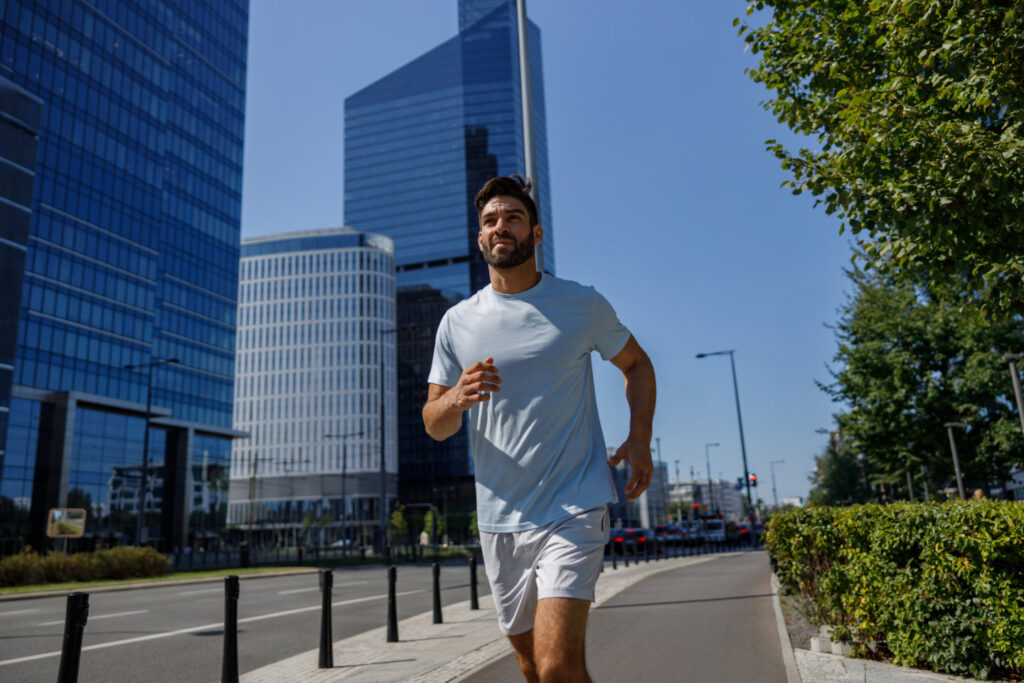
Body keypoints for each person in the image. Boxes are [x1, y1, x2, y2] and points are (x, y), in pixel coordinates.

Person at [422, 176, 656, 682]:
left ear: (536, 233)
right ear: (480, 238)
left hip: (574, 506)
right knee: (532, 667)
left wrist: (640, 438)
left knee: (556, 666)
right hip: (499, 519)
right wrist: (457, 398)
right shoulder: (457, 322)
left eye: (513, 217)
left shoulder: (580, 304)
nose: (501, 226)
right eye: (490, 220)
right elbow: (434, 423)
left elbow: (637, 365)